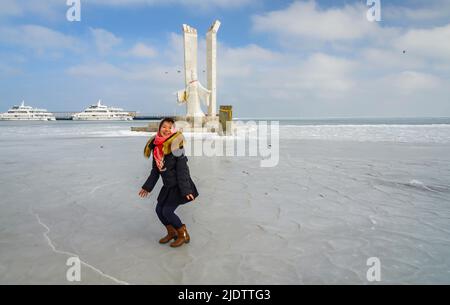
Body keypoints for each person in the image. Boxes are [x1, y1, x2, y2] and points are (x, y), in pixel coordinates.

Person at [139, 118, 199, 247]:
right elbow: (155, 171)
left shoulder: (177, 145)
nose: (166, 130)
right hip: (168, 186)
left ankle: (183, 234)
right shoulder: (156, 147)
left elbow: (183, 170)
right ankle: (172, 233)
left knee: (167, 211)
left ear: (174, 130)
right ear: (160, 128)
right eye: (164, 127)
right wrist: (147, 187)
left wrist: (186, 190)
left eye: (170, 127)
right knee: (159, 210)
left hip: (179, 186)